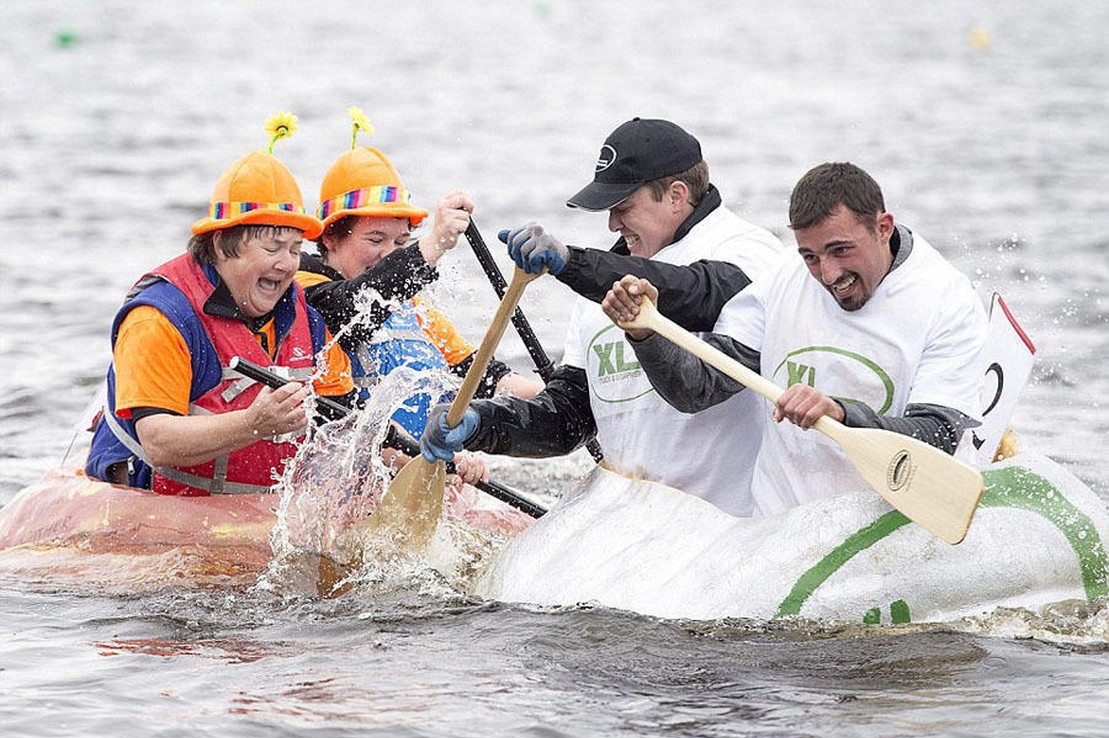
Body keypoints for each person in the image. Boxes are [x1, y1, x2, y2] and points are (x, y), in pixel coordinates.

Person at [421, 117, 784, 516]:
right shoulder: (599, 288)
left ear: (677, 196)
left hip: (731, 525)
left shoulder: (750, 252)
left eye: (623, 207)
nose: (612, 223)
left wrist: (572, 265)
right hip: (634, 527)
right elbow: (568, 419)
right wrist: (481, 423)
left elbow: (692, 290)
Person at [602, 161, 989, 515]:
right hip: (779, 530)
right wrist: (646, 334)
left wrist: (841, 412)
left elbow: (938, 436)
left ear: (883, 227)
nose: (829, 274)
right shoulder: (783, 276)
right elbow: (697, 390)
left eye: (841, 250)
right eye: (811, 256)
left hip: (883, 529)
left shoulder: (947, 300)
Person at [85, 114, 355, 495]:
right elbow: (158, 441)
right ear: (220, 246)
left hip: (245, 513)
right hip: (148, 507)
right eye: (272, 247)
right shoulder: (158, 318)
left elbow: (349, 425)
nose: (286, 263)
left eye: (295, 249)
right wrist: (253, 423)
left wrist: (436, 456)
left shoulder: (303, 318)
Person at [294, 111, 541, 483]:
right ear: (329, 238)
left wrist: (559, 398)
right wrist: (435, 244)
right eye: (375, 239)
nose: (389, 254)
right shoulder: (304, 292)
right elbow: (351, 311)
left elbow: (480, 377)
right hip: (355, 481)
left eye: (401, 242)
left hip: (424, 472)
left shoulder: (413, 309)